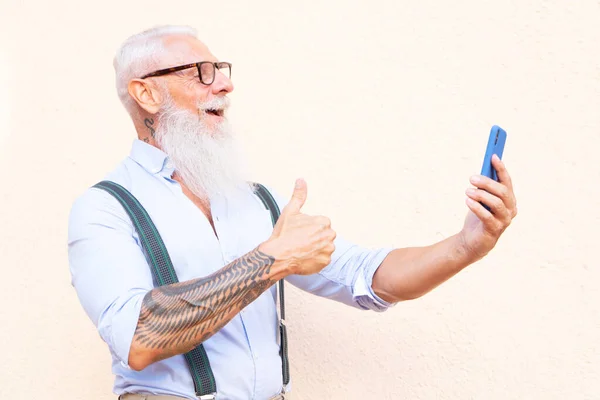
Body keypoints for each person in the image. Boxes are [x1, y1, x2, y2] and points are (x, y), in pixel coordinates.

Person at [67, 25, 518, 400]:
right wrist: (270, 261)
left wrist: (467, 245)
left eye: (221, 71)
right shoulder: (105, 208)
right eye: (201, 73)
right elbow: (137, 337)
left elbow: (367, 276)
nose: (224, 84)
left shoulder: (253, 201)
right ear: (145, 93)